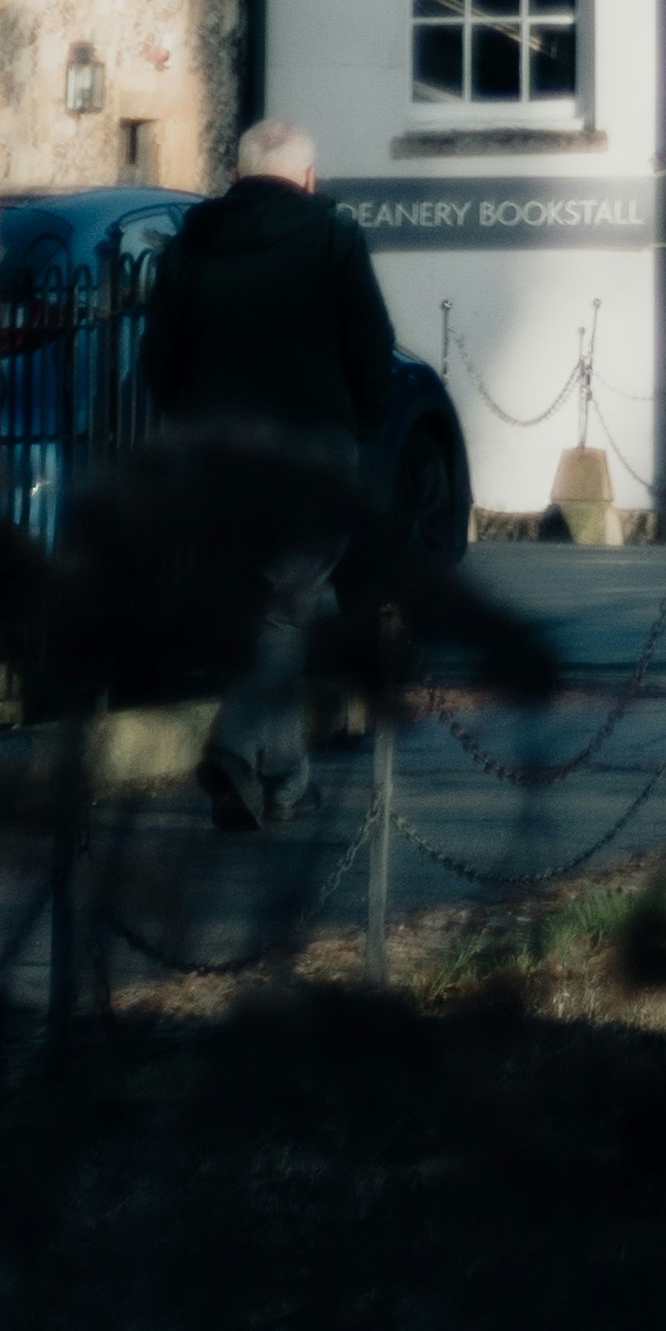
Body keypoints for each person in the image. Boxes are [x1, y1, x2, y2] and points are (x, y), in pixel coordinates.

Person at [144, 116, 402, 831]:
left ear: (237, 174)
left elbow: (158, 355)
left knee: (266, 612)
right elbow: (370, 342)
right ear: (309, 178)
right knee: (287, 607)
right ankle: (232, 747)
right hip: (310, 452)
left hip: (216, 455)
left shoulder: (191, 240)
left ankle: (280, 779)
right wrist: (363, 422)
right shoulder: (332, 235)